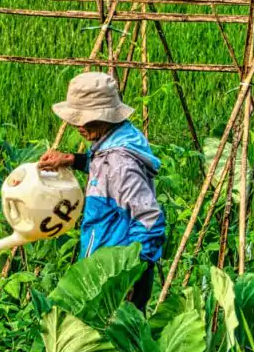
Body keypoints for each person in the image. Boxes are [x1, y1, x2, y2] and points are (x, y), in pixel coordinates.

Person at [39, 71, 166, 314]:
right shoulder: (116, 142)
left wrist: (129, 276)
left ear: (104, 117)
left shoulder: (120, 161)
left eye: (84, 120)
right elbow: (106, 173)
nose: (77, 126)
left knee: (112, 347)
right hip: (105, 270)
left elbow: (150, 220)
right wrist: (73, 160)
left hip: (116, 277)